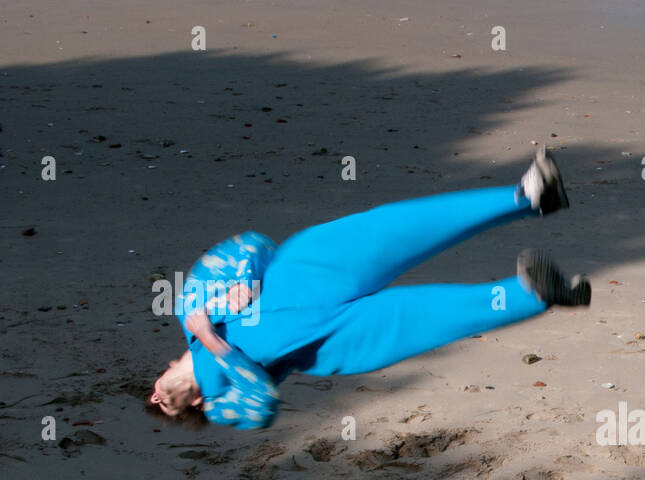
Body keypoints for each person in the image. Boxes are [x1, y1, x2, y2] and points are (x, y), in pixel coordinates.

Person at [148, 147, 589, 430]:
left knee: (405, 226)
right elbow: (263, 403)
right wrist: (211, 341)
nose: (163, 398)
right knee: (432, 316)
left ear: (163, 372)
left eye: (157, 395)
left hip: (309, 268)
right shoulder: (221, 404)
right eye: (169, 409)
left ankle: (529, 196)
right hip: (332, 341)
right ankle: (534, 294)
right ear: (191, 407)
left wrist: (242, 284)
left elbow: (250, 243)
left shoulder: (191, 304)